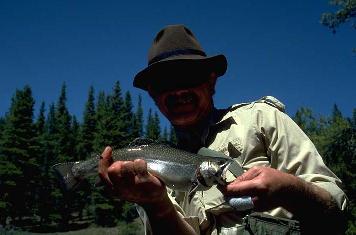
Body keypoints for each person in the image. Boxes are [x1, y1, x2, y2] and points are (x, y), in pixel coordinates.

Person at [98, 24, 348, 234]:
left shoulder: (262, 119)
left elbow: (336, 215)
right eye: (164, 83)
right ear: (153, 95)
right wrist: (157, 205)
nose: (178, 91)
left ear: (211, 81)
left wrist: (291, 190)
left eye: (187, 77)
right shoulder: (149, 166)